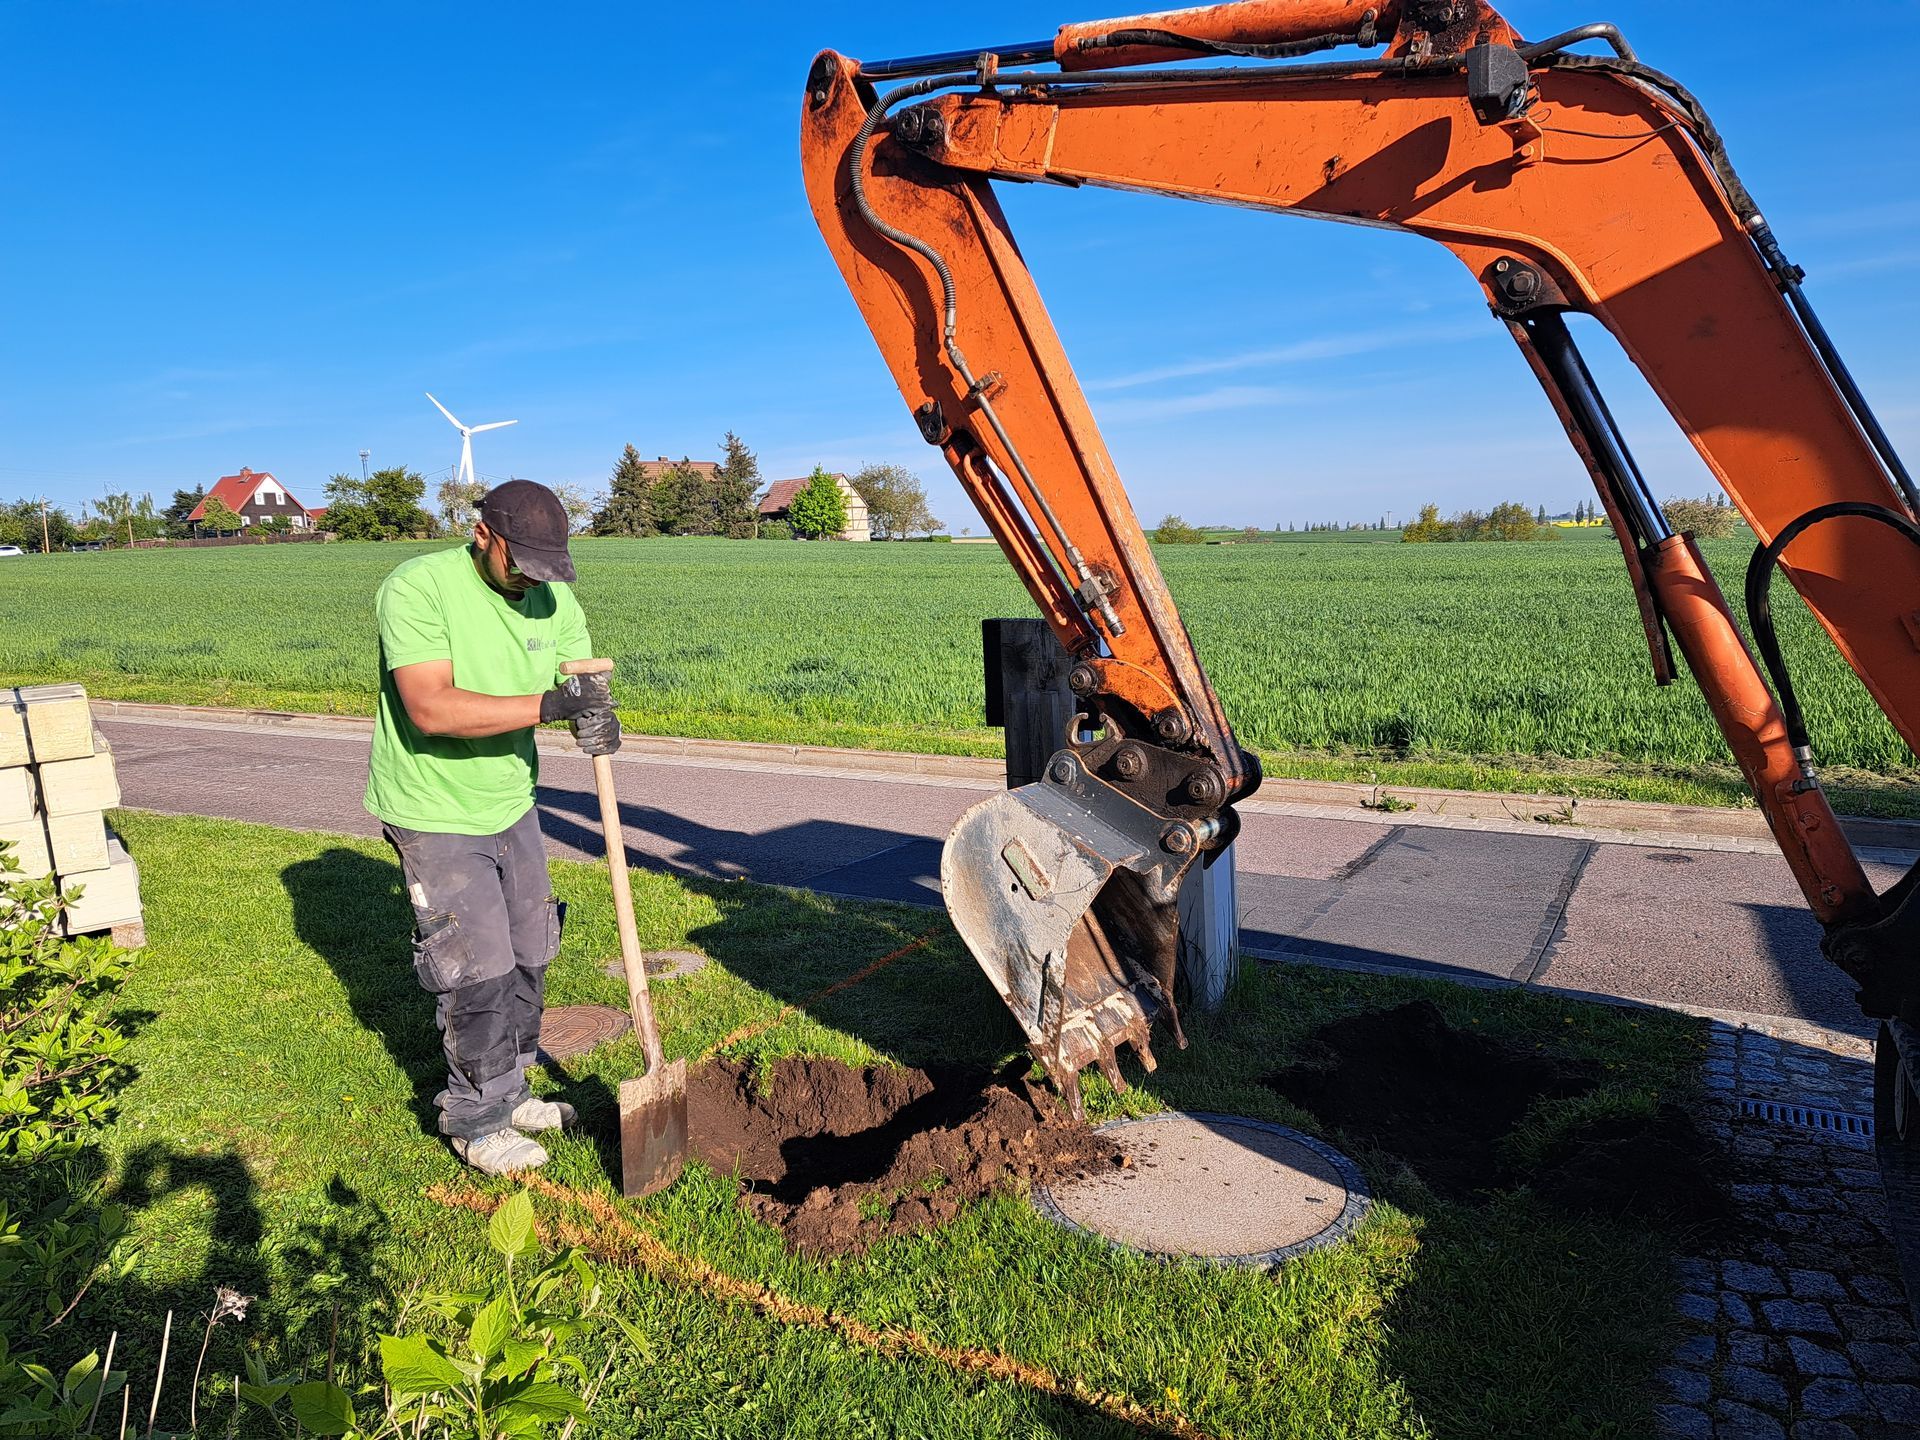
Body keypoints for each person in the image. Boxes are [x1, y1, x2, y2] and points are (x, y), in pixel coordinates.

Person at [363, 479, 621, 1174]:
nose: (533, 578)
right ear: (484, 535)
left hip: (511, 798)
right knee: (478, 968)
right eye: (521, 563)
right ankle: (477, 1118)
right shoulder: (418, 589)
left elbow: (579, 675)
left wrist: (592, 711)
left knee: (532, 949)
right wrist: (549, 704)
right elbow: (431, 708)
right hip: (434, 804)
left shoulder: (554, 593)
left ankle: (514, 1084)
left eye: (546, 566)